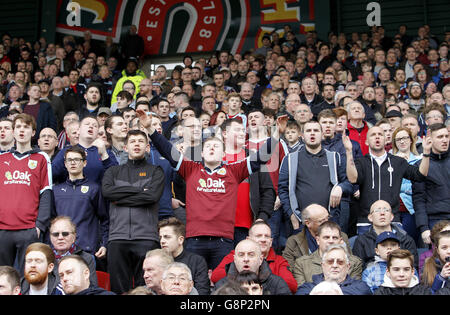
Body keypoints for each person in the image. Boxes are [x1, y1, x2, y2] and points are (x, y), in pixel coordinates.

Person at [135, 109, 288, 270]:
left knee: (221, 283)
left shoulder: (234, 171)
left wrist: (277, 133)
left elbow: (261, 157)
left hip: (223, 240)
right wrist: (150, 130)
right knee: (194, 282)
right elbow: (167, 149)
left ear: (223, 153)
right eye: (208, 146)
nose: (212, 148)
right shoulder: (190, 169)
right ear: (201, 152)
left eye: (216, 146)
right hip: (194, 239)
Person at [102, 129, 165, 294]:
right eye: (132, 141)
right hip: (117, 237)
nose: (136, 144)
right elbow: (108, 193)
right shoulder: (113, 171)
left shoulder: (156, 171)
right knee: (119, 290)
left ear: (147, 147)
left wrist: (120, 197)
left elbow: (152, 197)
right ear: (125, 147)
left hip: (146, 237)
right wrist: (140, 192)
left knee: (145, 289)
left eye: (140, 141)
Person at [342, 125, 432, 234]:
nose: (377, 137)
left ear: (385, 140)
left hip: (392, 220)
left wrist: (426, 152)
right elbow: (352, 178)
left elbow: (420, 175)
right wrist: (348, 152)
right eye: (373, 135)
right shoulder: (361, 162)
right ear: (366, 142)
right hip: (366, 221)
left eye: (380, 134)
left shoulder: (398, 162)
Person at [0, 114, 52, 275]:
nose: (22, 130)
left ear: (33, 132)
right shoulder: (2, 159)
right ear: (13, 132)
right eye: (18, 127)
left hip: (29, 229)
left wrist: (39, 226)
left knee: (28, 277)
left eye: (26, 127)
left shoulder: (42, 158)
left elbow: (46, 193)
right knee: (3, 277)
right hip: (2, 229)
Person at [279, 120, 353, 231]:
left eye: (316, 130)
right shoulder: (290, 159)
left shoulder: (334, 157)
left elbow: (349, 183)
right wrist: (291, 214)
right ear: (302, 136)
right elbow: (282, 189)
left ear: (322, 135)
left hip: (330, 221)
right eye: (308, 131)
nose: (312, 133)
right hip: (301, 222)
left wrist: (340, 187)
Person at [211, 220, 297, 293]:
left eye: (266, 236)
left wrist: (264, 277)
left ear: (261, 259)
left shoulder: (277, 274)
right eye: (258, 236)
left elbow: (291, 285)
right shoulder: (236, 253)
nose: (246, 259)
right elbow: (216, 276)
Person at [282, 204, 353, 271]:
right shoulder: (294, 242)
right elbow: (289, 269)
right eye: (321, 221)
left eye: (327, 218)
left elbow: (351, 263)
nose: (326, 222)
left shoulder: (341, 236)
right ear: (308, 223)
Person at [292, 221, 362, 287]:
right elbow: (302, 291)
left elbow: (355, 290)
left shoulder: (354, 263)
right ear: (318, 240)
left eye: (335, 238)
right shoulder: (302, 263)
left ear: (340, 241)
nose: (331, 241)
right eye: (326, 237)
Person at [52, 115, 118, 184]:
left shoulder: (106, 152)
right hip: (71, 193)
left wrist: (104, 155)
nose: (91, 126)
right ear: (79, 130)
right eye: (87, 124)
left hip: (98, 193)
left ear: (97, 132)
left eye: (95, 126)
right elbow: (51, 175)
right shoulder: (66, 151)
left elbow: (116, 178)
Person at [412, 123, 449, 245]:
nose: (444, 140)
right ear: (429, 140)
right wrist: (423, 227)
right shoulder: (421, 166)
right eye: (439, 137)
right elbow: (419, 199)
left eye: (446, 136)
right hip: (435, 220)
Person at [352, 200, 418, 269]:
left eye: (386, 210)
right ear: (370, 217)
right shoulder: (362, 241)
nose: (382, 213)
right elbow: (358, 269)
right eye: (377, 210)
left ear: (392, 216)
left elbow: (413, 267)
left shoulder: (406, 239)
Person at [214, 239, 291, 295]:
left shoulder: (276, 284)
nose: (246, 259)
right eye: (241, 255)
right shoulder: (222, 285)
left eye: (251, 255)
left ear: (261, 259)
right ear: (235, 259)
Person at [158, 217, 210, 295]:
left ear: (180, 240)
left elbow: (203, 291)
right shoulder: (157, 261)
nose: (162, 241)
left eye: (167, 237)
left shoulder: (197, 261)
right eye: (160, 237)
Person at [296, 244, 371, 295]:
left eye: (340, 262)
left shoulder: (361, 288)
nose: (335, 265)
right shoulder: (306, 289)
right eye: (330, 262)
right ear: (322, 265)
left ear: (348, 266)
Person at [392, 127, 422, 243]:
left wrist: (401, 188)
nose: (402, 141)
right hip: (394, 209)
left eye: (405, 138)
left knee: (409, 241)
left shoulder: (419, 161)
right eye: (398, 139)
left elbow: (417, 186)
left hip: (411, 208)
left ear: (411, 140)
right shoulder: (390, 161)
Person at [48, 216, 98, 286]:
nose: (60, 237)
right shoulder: (45, 259)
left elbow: (92, 288)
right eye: (55, 234)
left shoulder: (87, 259)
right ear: (50, 237)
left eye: (65, 234)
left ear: (74, 237)